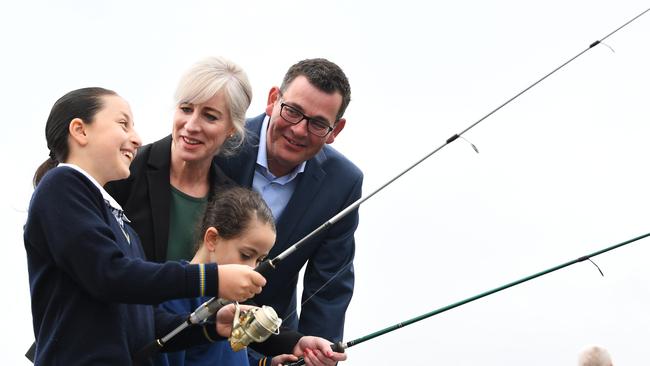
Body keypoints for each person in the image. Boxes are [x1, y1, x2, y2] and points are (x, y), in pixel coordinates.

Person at [24, 87, 265, 365]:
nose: (136, 139)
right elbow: (110, 274)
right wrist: (211, 278)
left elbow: (145, 322)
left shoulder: (117, 216)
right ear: (80, 130)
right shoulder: (62, 185)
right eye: (123, 124)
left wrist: (210, 328)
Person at [216, 58, 363, 342]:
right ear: (273, 100)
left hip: (270, 337)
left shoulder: (344, 183)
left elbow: (330, 284)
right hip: (184, 315)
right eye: (293, 111)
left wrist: (315, 352)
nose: (298, 130)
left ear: (336, 130)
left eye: (318, 124)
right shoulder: (223, 141)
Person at [156, 186, 347, 366]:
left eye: (260, 260)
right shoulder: (173, 295)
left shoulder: (230, 301)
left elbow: (228, 356)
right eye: (246, 255)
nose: (253, 270)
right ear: (212, 239)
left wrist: (266, 363)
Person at [106, 56, 251, 263]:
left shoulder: (233, 202)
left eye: (210, 116)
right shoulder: (126, 170)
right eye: (186, 109)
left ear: (231, 129)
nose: (191, 125)